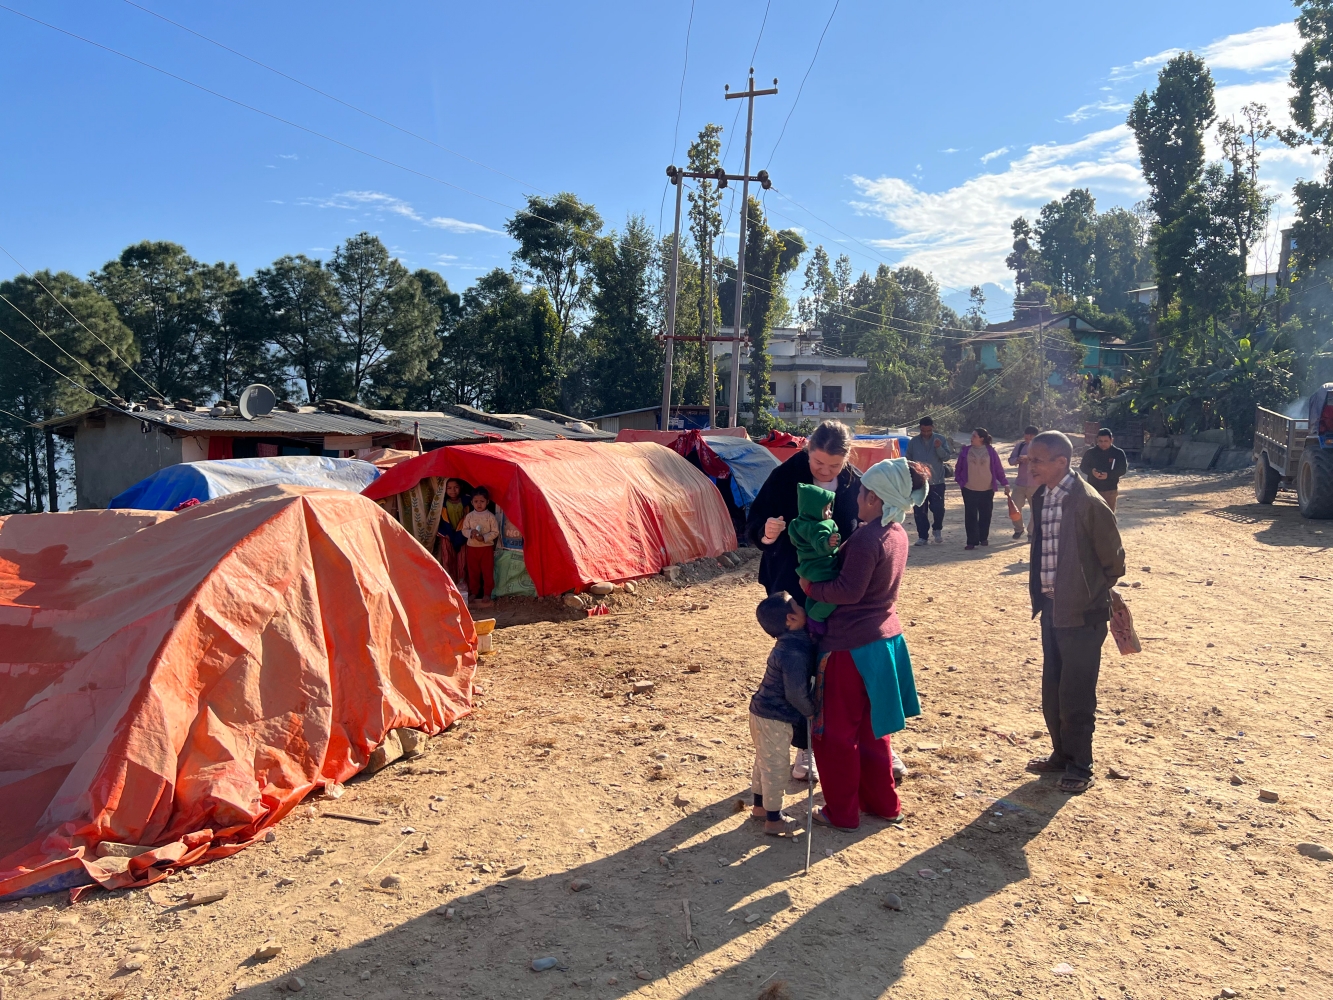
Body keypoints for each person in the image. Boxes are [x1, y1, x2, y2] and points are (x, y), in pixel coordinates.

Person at [799, 458, 926, 830]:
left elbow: (847, 591)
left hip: (849, 647)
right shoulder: (896, 532)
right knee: (873, 729)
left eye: (861, 492)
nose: (856, 497)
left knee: (836, 733)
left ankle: (842, 812)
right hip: (883, 641)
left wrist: (811, 587)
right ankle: (883, 803)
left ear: (874, 498)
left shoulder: (868, 538)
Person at [746, 420, 863, 784]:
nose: (825, 471)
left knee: (835, 664)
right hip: (791, 585)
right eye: (818, 463)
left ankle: (848, 740)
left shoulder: (853, 482)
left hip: (836, 589)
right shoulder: (785, 476)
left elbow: (863, 525)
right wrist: (766, 533)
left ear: (846, 459)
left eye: (834, 465)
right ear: (808, 450)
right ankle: (804, 747)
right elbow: (754, 524)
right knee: (798, 666)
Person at [1024, 431, 1126, 794]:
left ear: (1061, 463)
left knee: (1077, 693)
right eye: (1029, 459)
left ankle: (1081, 765)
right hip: (1052, 608)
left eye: (1037, 460)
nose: (1030, 466)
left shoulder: (1088, 502)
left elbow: (1114, 562)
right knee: (1053, 689)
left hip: (1083, 613)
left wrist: (1087, 593)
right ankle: (1061, 755)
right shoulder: (1043, 496)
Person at [749, 593, 817, 835]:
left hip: (762, 711)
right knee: (776, 767)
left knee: (764, 762)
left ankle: (759, 807)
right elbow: (795, 693)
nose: (802, 605)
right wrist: (811, 713)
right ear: (791, 618)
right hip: (774, 717)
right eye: (797, 604)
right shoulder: (793, 652)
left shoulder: (790, 643)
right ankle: (774, 820)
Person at [788, 484, 841, 633]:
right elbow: (820, 542)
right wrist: (828, 543)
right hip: (822, 568)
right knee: (833, 596)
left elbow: (796, 542)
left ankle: (809, 615)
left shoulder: (797, 524)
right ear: (813, 508)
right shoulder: (821, 525)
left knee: (812, 597)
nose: (830, 513)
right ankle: (816, 617)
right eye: (826, 509)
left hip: (806, 568)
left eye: (830, 508)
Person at [954, 427, 1010, 550]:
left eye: (974, 436)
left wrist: (1005, 483)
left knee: (986, 514)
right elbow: (958, 468)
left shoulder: (991, 451)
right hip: (969, 488)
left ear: (982, 438)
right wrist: (960, 481)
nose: (971, 438)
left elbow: (998, 469)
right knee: (970, 515)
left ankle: (983, 537)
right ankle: (971, 541)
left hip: (987, 489)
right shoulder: (966, 451)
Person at [905, 416, 953, 546]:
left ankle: (937, 529)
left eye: (928, 430)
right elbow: (907, 459)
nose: (926, 433)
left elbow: (946, 457)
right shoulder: (913, 442)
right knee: (919, 510)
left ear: (933, 428)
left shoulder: (940, 439)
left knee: (938, 509)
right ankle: (922, 536)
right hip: (919, 483)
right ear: (919, 428)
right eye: (923, 430)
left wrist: (939, 448)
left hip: (937, 482)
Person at [460, 486, 500, 608]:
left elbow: (495, 532)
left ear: (487, 502)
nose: (479, 504)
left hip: (486, 548)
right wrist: (471, 533)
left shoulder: (490, 516)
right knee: (473, 571)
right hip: (472, 548)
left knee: (487, 571)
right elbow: (464, 530)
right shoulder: (469, 516)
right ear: (472, 502)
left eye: (482, 501)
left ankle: (487, 593)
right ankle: (474, 592)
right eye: (476, 501)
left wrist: (484, 538)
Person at [1079, 428, 1128, 511]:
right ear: (1097, 440)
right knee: (1093, 515)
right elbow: (1083, 467)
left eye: (1106, 441)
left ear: (1111, 440)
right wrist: (1092, 472)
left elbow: (1122, 470)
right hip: (1093, 489)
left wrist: (1108, 475)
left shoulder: (1118, 453)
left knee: (1108, 515)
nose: (1103, 444)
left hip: (1110, 490)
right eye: (1100, 441)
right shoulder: (1090, 453)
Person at [1008, 425, 1039, 539]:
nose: (1028, 438)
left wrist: (1029, 459)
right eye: (1026, 436)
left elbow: (1045, 462)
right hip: (1020, 483)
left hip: (1036, 484)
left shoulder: (1041, 448)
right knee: (1014, 507)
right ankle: (1018, 529)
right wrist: (1018, 459)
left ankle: (1031, 532)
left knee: (1035, 510)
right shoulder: (1020, 446)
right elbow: (1011, 460)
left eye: (1031, 436)